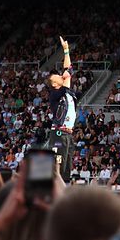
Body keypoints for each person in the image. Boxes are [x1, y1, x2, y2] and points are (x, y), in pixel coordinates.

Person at [46, 36, 81, 182]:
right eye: (58, 77)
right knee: (58, 162)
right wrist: (67, 72)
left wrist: (66, 51)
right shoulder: (55, 94)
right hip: (58, 132)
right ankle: (53, 188)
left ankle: (64, 188)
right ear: (54, 84)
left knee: (67, 164)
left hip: (68, 133)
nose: (61, 76)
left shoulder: (66, 92)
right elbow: (68, 72)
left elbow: (67, 70)